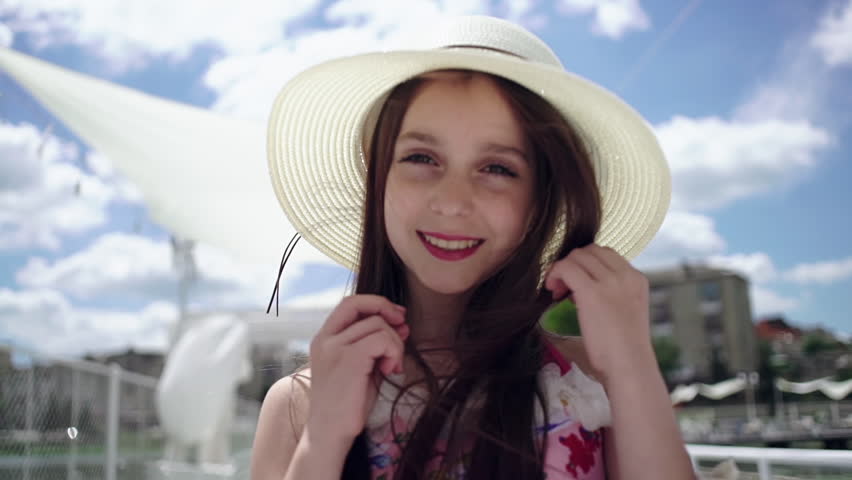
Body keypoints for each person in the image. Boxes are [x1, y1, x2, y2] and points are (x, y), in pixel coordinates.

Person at [251, 15, 694, 480]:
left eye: (498, 168)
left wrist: (633, 363)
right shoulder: (300, 403)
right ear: (379, 181)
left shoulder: (594, 380)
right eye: (421, 158)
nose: (452, 202)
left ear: (540, 201)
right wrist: (323, 440)